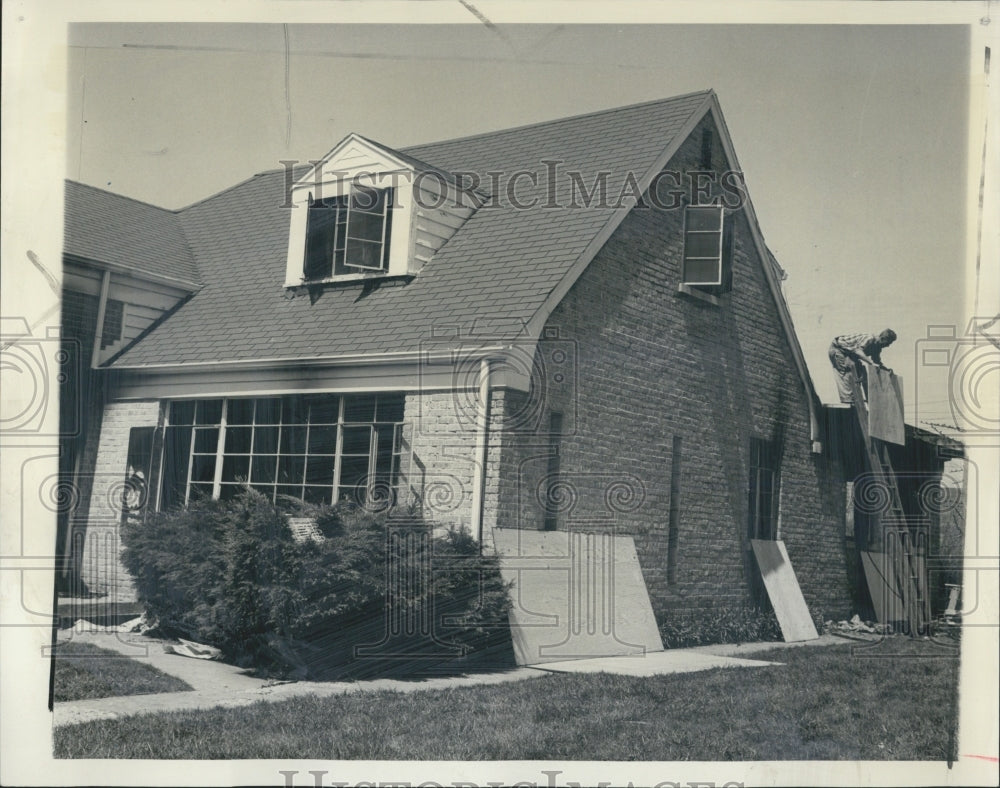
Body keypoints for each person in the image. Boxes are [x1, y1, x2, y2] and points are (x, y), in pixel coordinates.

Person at [828, 329, 896, 404]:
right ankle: (848, 401)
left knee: (860, 373)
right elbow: (858, 351)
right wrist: (871, 363)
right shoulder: (869, 339)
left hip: (849, 353)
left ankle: (859, 398)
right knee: (847, 372)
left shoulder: (877, 347)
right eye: (888, 343)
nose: (888, 346)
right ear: (883, 338)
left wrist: (886, 370)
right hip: (838, 349)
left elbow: (877, 362)